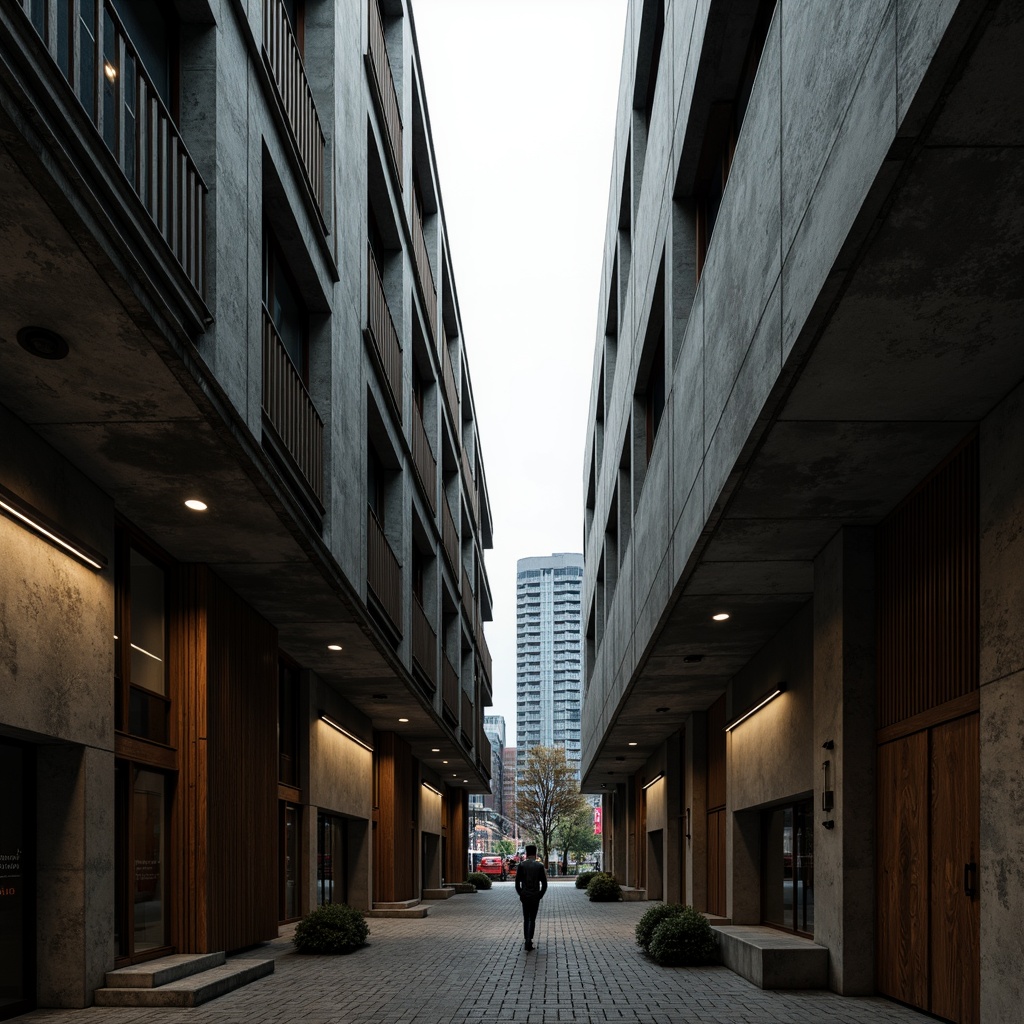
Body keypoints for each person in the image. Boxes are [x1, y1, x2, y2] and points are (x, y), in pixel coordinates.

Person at [514, 844, 547, 951]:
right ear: (536, 853)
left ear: (526, 853)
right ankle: (530, 939)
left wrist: (521, 893)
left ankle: (526, 939)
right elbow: (544, 884)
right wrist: (540, 895)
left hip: (525, 895)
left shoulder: (521, 865)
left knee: (526, 918)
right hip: (535, 895)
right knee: (532, 919)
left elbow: (517, 883)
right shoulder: (540, 866)